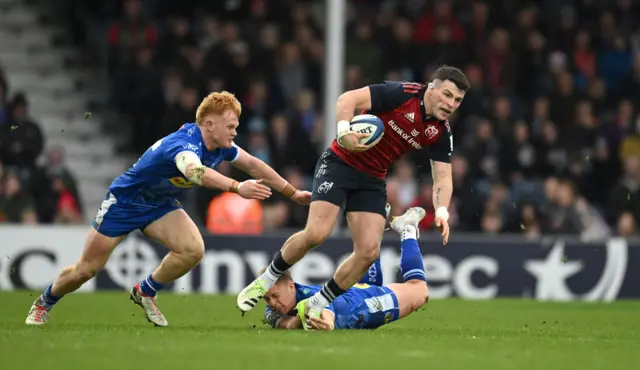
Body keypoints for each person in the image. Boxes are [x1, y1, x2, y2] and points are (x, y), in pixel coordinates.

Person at [25, 91, 311, 326]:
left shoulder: (222, 145)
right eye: (230, 125)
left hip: (159, 204)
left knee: (193, 249)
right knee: (86, 270)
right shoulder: (184, 144)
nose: (235, 131)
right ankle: (44, 303)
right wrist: (237, 188)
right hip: (125, 202)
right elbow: (196, 172)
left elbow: (254, 165)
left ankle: (145, 290)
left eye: (236, 126)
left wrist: (292, 192)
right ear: (208, 124)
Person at [237, 65, 469, 330]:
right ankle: (266, 279)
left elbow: (443, 177)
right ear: (432, 88)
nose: (451, 104)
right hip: (340, 163)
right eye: (448, 95)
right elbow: (347, 99)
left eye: (458, 100)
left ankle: (318, 302)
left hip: (372, 178)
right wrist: (344, 131)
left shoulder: (441, 132)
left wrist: (442, 212)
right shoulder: (402, 94)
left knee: (369, 252)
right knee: (316, 233)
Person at [261, 207, 429, 331]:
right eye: (267, 299)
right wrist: (299, 320)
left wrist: (327, 323)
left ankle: (407, 228)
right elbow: (287, 324)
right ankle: (377, 222)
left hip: (365, 304)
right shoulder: (272, 312)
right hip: (352, 298)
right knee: (371, 276)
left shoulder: (309, 295)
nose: (272, 303)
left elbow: (326, 308)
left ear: (291, 286)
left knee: (419, 289)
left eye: (275, 296)